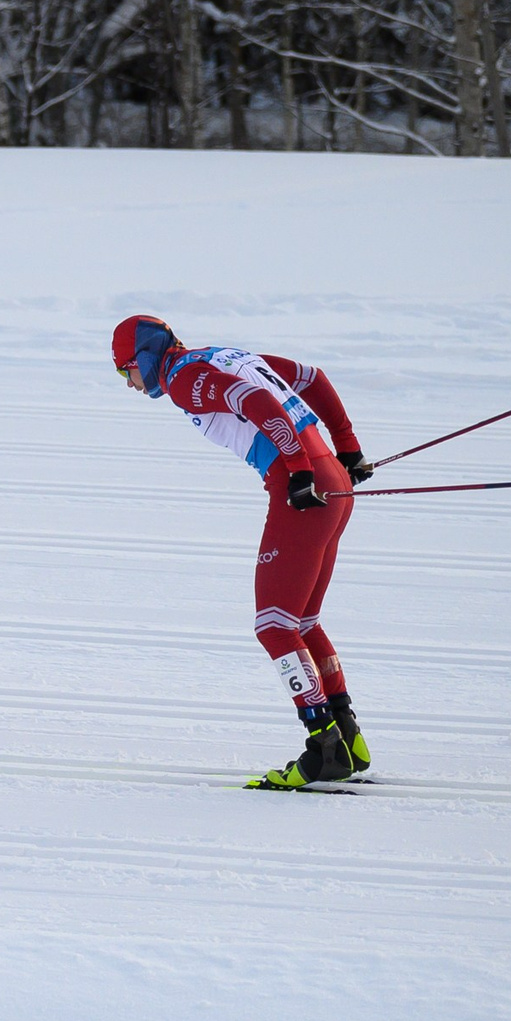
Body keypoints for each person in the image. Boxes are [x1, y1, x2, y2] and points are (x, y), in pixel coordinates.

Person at [111, 315, 374, 788]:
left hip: (304, 488)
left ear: (146, 358)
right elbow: (312, 379)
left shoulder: (184, 379)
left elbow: (253, 400)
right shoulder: (220, 355)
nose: (128, 383)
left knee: (274, 625)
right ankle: (347, 734)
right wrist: (347, 450)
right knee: (302, 622)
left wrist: (297, 469)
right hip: (331, 482)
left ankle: (325, 747)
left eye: (124, 370)